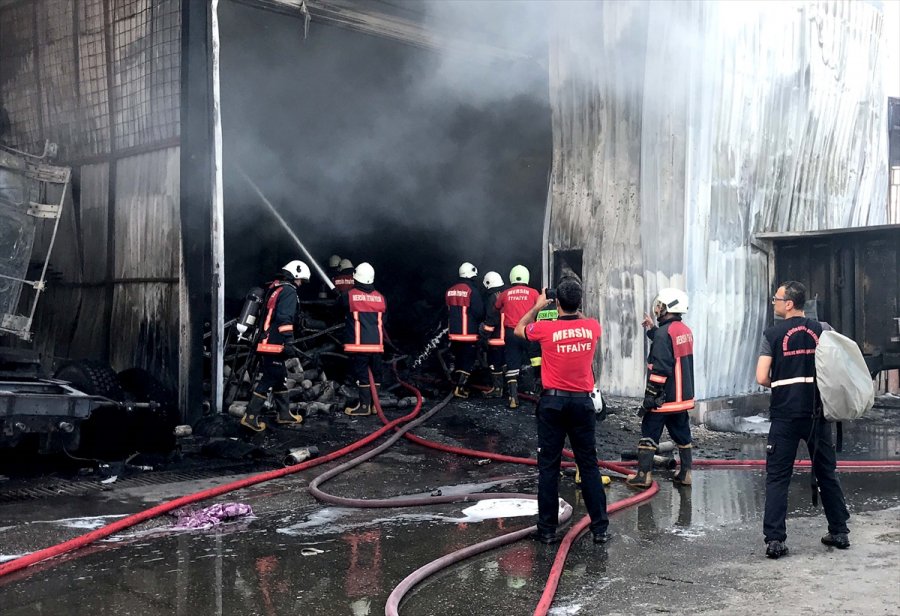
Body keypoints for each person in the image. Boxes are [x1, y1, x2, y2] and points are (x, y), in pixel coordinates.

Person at [756, 281, 850, 559]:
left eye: (777, 299)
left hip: (785, 415)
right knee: (827, 473)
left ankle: (775, 541)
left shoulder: (772, 334)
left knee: (777, 478)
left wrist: (784, 383)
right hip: (817, 415)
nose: (774, 302)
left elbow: (761, 377)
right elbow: (837, 363)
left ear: (789, 304)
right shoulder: (823, 329)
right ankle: (840, 531)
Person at [514, 277, 611, 544]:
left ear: (556, 302)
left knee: (549, 467)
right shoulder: (592, 327)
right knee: (588, 466)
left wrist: (537, 305)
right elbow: (580, 318)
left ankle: (546, 530)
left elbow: (518, 329)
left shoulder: (544, 328)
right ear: (579, 302)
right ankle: (600, 529)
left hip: (553, 404)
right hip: (582, 404)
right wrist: (570, 303)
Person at [625, 287, 695, 489]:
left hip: (663, 398)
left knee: (649, 432)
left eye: (660, 305)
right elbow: (670, 346)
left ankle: (643, 476)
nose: (657, 309)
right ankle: (685, 473)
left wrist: (651, 395)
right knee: (682, 434)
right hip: (681, 399)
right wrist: (652, 330)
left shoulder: (665, 334)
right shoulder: (683, 330)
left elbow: (662, 367)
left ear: (668, 307)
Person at [240, 260, 310, 431]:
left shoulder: (275, 288)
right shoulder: (288, 292)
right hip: (275, 344)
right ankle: (250, 416)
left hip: (266, 342)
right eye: (300, 279)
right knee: (269, 378)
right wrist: (289, 341)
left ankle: (284, 414)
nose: (300, 284)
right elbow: (285, 318)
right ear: (294, 275)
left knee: (280, 377)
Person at [342, 262, 387, 416]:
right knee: (377, 374)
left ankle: (364, 407)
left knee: (362, 375)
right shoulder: (381, 298)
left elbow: (336, 309)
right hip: (377, 346)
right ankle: (375, 405)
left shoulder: (349, 295)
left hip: (359, 346)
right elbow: (384, 320)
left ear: (356, 278)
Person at [495, 265, 539, 408]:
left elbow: (495, 307)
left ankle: (513, 398)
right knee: (536, 360)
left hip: (511, 333)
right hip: (528, 332)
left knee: (512, 365)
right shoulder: (533, 293)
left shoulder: (505, 293)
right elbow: (540, 308)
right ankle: (539, 391)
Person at [445, 262, 484, 398]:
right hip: (468, 333)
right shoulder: (471, 290)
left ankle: (456, 385)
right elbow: (479, 311)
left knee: (459, 360)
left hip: (453, 334)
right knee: (467, 361)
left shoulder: (450, 290)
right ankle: (460, 388)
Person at [480, 271, 507, 398]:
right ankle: (508, 388)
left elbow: (491, 320)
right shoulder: (506, 294)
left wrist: (483, 334)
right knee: (505, 362)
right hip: (508, 337)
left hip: (496, 338)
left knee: (494, 363)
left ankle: (497, 389)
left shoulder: (492, 298)